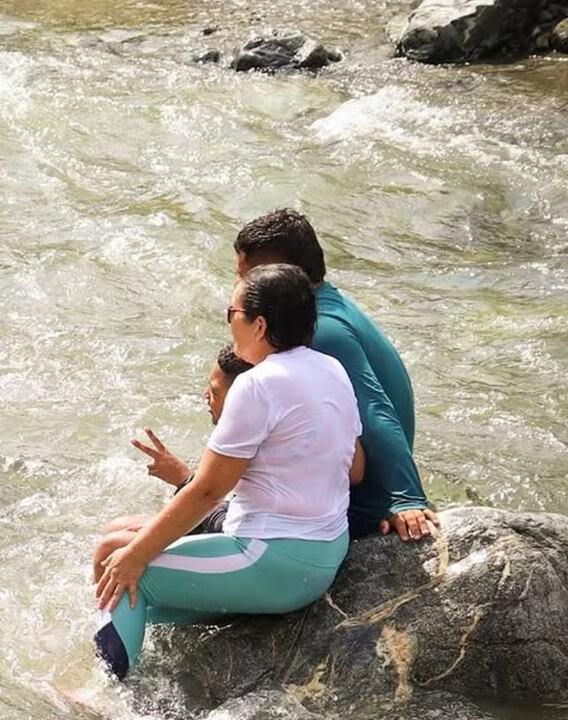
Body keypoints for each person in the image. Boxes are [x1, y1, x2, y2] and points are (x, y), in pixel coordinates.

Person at [94, 264, 360, 681]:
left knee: (125, 570)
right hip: (325, 555)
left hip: (273, 560)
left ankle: (100, 699)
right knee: (131, 570)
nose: (229, 321)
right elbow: (355, 467)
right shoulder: (333, 370)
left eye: (231, 312)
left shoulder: (258, 384)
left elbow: (207, 491)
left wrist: (136, 556)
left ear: (259, 324)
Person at [233, 209, 438, 541]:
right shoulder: (327, 304)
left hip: (358, 507)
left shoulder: (324, 331)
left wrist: (406, 497)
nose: (239, 287)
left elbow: (375, 410)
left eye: (247, 276)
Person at [92, 346, 365, 584]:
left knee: (112, 547)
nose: (205, 396)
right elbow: (354, 471)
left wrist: (183, 481)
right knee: (116, 528)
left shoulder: (255, 403)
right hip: (286, 532)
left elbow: (208, 494)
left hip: (267, 545)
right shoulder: (326, 377)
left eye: (214, 391)